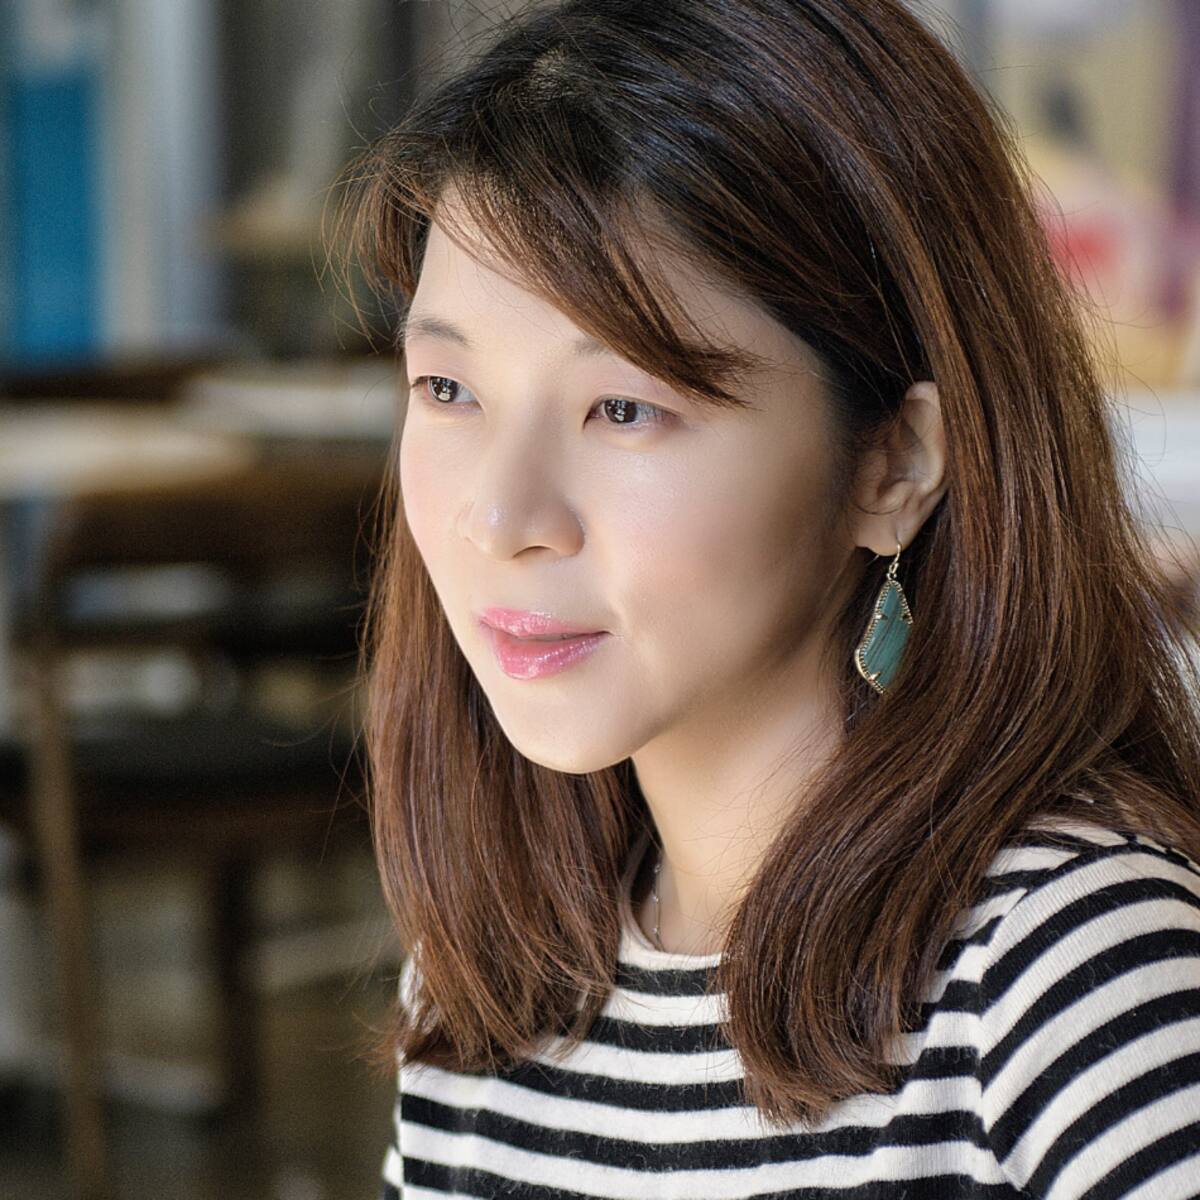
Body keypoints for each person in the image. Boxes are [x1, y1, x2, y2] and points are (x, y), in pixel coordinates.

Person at [330, 0, 1200, 1194]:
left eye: (624, 409)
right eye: (447, 388)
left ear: (894, 464)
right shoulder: (483, 978)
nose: (500, 516)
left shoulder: (1073, 973)